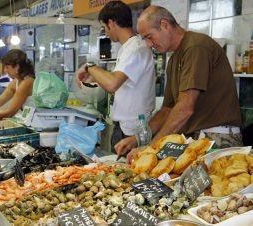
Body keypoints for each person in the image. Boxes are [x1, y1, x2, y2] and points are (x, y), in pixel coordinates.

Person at [117, 5, 243, 162]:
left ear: (164, 25)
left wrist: (151, 148)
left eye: (149, 37)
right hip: (194, 136)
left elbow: (185, 108)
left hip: (217, 136)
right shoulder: (174, 58)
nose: (149, 44)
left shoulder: (196, 47)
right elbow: (167, 110)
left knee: (218, 184)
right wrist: (138, 138)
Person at [75, 0, 155, 153]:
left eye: (104, 28)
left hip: (133, 131)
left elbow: (112, 84)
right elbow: (116, 80)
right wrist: (95, 77)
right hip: (125, 127)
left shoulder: (136, 48)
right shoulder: (127, 48)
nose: (105, 32)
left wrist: (89, 67)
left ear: (111, 23)